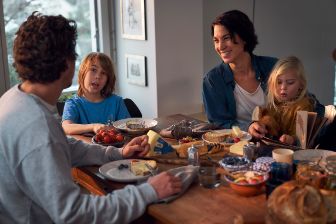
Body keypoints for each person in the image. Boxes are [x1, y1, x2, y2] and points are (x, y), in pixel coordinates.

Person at [0, 12, 181, 223]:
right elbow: (74, 213)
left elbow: (65, 146)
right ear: (67, 64)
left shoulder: (16, 98)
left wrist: (119, 152)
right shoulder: (36, 126)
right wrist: (149, 191)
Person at [202, 10, 278, 131]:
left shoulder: (274, 67)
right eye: (216, 40)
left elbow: (305, 101)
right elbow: (219, 123)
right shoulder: (212, 80)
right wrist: (248, 127)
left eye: (226, 38)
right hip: (238, 144)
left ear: (244, 37)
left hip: (281, 142)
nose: (220, 47)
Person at [248, 56, 327, 145]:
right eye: (279, 82)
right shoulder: (274, 103)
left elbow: (303, 140)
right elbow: (269, 125)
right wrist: (261, 126)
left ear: (301, 84)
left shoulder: (304, 106)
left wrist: (292, 140)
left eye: (290, 82)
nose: (283, 87)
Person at [62, 52, 130, 135]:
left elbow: (127, 129)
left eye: (103, 73)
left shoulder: (117, 102)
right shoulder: (73, 103)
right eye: (93, 70)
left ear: (108, 80)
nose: (98, 76)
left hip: (115, 147)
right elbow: (66, 127)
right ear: (83, 72)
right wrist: (93, 126)